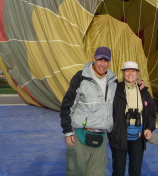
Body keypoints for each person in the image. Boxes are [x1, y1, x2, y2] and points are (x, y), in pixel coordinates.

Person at [60, 47, 145, 175]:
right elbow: (67, 104)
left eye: (105, 60)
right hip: (80, 133)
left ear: (109, 62)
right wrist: (67, 130)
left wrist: (137, 82)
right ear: (94, 59)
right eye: (100, 59)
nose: (102, 64)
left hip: (101, 136)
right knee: (76, 172)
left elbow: (126, 88)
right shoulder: (81, 77)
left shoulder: (113, 80)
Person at [108, 61, 157, 176]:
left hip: (138, 137)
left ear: (137, 73)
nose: (130, 74)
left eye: (133, 71)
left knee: (135, 170)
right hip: (119, 136)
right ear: (123, 73)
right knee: (118, 170)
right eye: (127, 71)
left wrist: (149, 128)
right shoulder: (116, 89)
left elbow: (151, 112)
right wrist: (112, 131)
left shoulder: (144, 91)